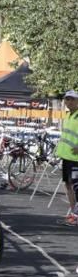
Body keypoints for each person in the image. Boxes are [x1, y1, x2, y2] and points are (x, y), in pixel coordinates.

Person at [56, 89, 78, 226]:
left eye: (72, 99)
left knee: (76, 187)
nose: (68, 102)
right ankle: (73, 213)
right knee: (68, 186)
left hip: (76, 159)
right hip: (66, 157)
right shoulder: (69, 115)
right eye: (67, 99)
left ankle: (76, 216)